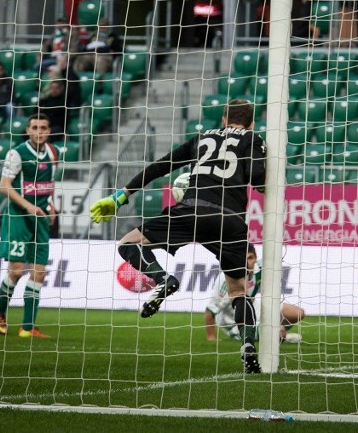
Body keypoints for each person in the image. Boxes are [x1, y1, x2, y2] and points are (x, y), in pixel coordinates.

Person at [90, 99, 267, 373]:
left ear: (223, 119)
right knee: (238, 290)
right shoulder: (253, 139)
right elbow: (257, 177)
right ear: (251, 123)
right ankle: (248, 346)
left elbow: (161, 166)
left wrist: (121, 196)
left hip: (192, 210)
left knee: (128, 243)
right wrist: (267, 182)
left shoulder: (202, 138)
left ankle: (165, 279)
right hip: (230, 221)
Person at [0, 114, 59, 339]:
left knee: (39, 273)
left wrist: (50, 205)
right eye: (35, 127)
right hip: (18, 217)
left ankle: (27, 327)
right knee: (17, 271)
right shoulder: (16, 153)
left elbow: (49, 184)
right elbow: (4, 186)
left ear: (49, 131)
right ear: (28, 130)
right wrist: (29, 206)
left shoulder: (53, 153)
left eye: (44, 128)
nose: (39, 131)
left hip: (40, 219)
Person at [204, 245, 304, 344]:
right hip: (233, 321)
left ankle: (279, 333)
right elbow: (210, 310)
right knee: (275, 333)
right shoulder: (225, 279)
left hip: (254, 307)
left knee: (298, 313)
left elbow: (271, 259)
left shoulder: (259, 268)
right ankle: (279, 334)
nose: (247, 263)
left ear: (255, 258)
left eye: (250, 258)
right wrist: (211, 337)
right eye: (244, 259)